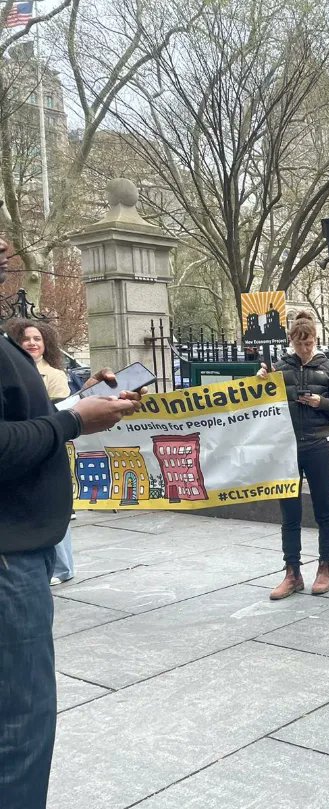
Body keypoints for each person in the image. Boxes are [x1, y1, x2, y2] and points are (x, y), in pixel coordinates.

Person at [0, 232, 142, 807]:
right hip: (8, 565)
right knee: (21, 725)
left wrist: (76, 402)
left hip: (17, 555)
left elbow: (21, 419)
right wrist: (73, 423)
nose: (7, 255)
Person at [259, 311, 329, 600]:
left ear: (316, 339)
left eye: (309, 343)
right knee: (290, 514)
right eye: (299, 344)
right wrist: (260, 381)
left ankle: (324, 567)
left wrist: (321, 402)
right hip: (287, 448)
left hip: (319, 445)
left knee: (324, 511)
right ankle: (292, 572)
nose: (304, 349)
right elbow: (260, 404)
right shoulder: (279, 368)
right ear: (291, 341)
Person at [6, 319, 78, 584]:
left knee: (58, 505)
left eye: (38, 339)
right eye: (26, 339)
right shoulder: (11, 367)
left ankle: (63, 568)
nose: (32, 343)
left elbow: (58, 411)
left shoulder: (56, 375)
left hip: (50, 446)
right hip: (24, 452)